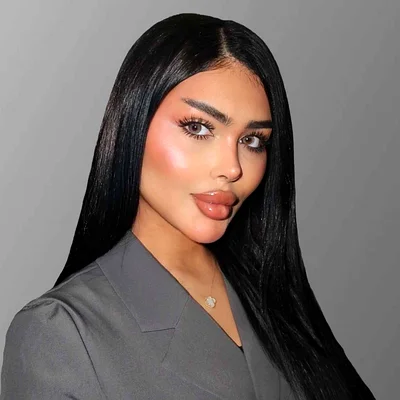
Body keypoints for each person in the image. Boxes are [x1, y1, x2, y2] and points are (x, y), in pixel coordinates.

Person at [0, 13, 375, 400]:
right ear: (134, 123)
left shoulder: (276, 296)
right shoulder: (61, 335)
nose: (232, 168)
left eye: (252, 141)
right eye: (198, 127)